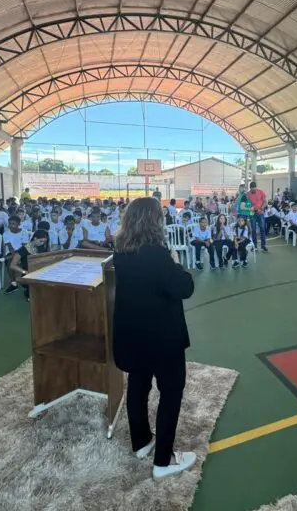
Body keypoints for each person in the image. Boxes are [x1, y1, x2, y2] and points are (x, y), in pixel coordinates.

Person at [112, 197, 196, 480]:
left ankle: (141, 442)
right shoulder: (158, 255)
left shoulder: (121, 251)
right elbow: (184, 288)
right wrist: (176, 263)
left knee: (138, 385)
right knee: (171, 393)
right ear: (153, 221)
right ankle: (163, 460)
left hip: (132, 334)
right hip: (162, 338)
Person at [3, 215, 31, 294]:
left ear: (18, 224)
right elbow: (10, 247)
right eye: (10, 223)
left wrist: (19, 256)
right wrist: (16, 257)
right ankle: (13, 284)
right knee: (9, 261)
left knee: (25, 260)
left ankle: (26, 280)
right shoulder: (6, 234)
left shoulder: (24, 232)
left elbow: (24, 246)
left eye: (13, 224)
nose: (11, 226)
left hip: (23, 252)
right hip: (12, 253)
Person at [246, 181, 268, 252]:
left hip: (260, 212)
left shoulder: (261, 192)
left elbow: (265, 202)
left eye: (254, 189)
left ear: (256, 187)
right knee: (253, 230)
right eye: (252, 189)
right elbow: (247, 204)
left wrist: (261, 208)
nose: (254, 190)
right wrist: (251, 208)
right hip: (252, 213)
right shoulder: (247, 194)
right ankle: (254, 246)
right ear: (250, 188)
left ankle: (263, 245)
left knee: (262, 228)